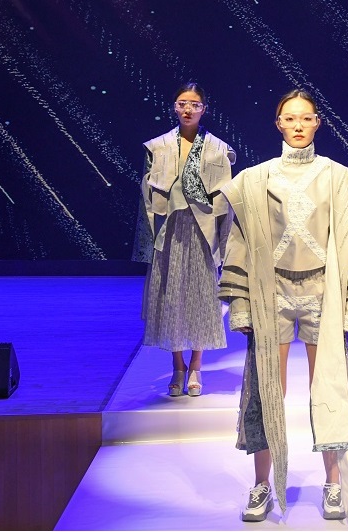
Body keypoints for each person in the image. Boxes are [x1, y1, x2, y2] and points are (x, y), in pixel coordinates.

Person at [218, 89, 348, 522]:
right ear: (278, 124)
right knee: (266, 389)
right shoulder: (254, 180)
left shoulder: (340, 178)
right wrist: (242, 305)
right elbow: (239, 244)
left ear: (318, 122)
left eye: (306, 118)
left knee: (329, 386)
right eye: (290, 118)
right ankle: (261, 485)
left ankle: (333, 483)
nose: (298, 125)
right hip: (272, 293)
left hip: (323, 292)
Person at [136, 82, 236, 398]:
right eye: (182, 103)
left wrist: (226, 244)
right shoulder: (159, 146)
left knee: (202, 297)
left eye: (194, 104)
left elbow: (227, 201)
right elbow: (146, 198)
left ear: (204, 109)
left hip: (202, 230)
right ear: (174, 107)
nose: (188, 109)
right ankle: (177, 366)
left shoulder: (218, 148)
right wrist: (147, 240)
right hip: (170, 229)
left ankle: (196, 365)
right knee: (172, 295)